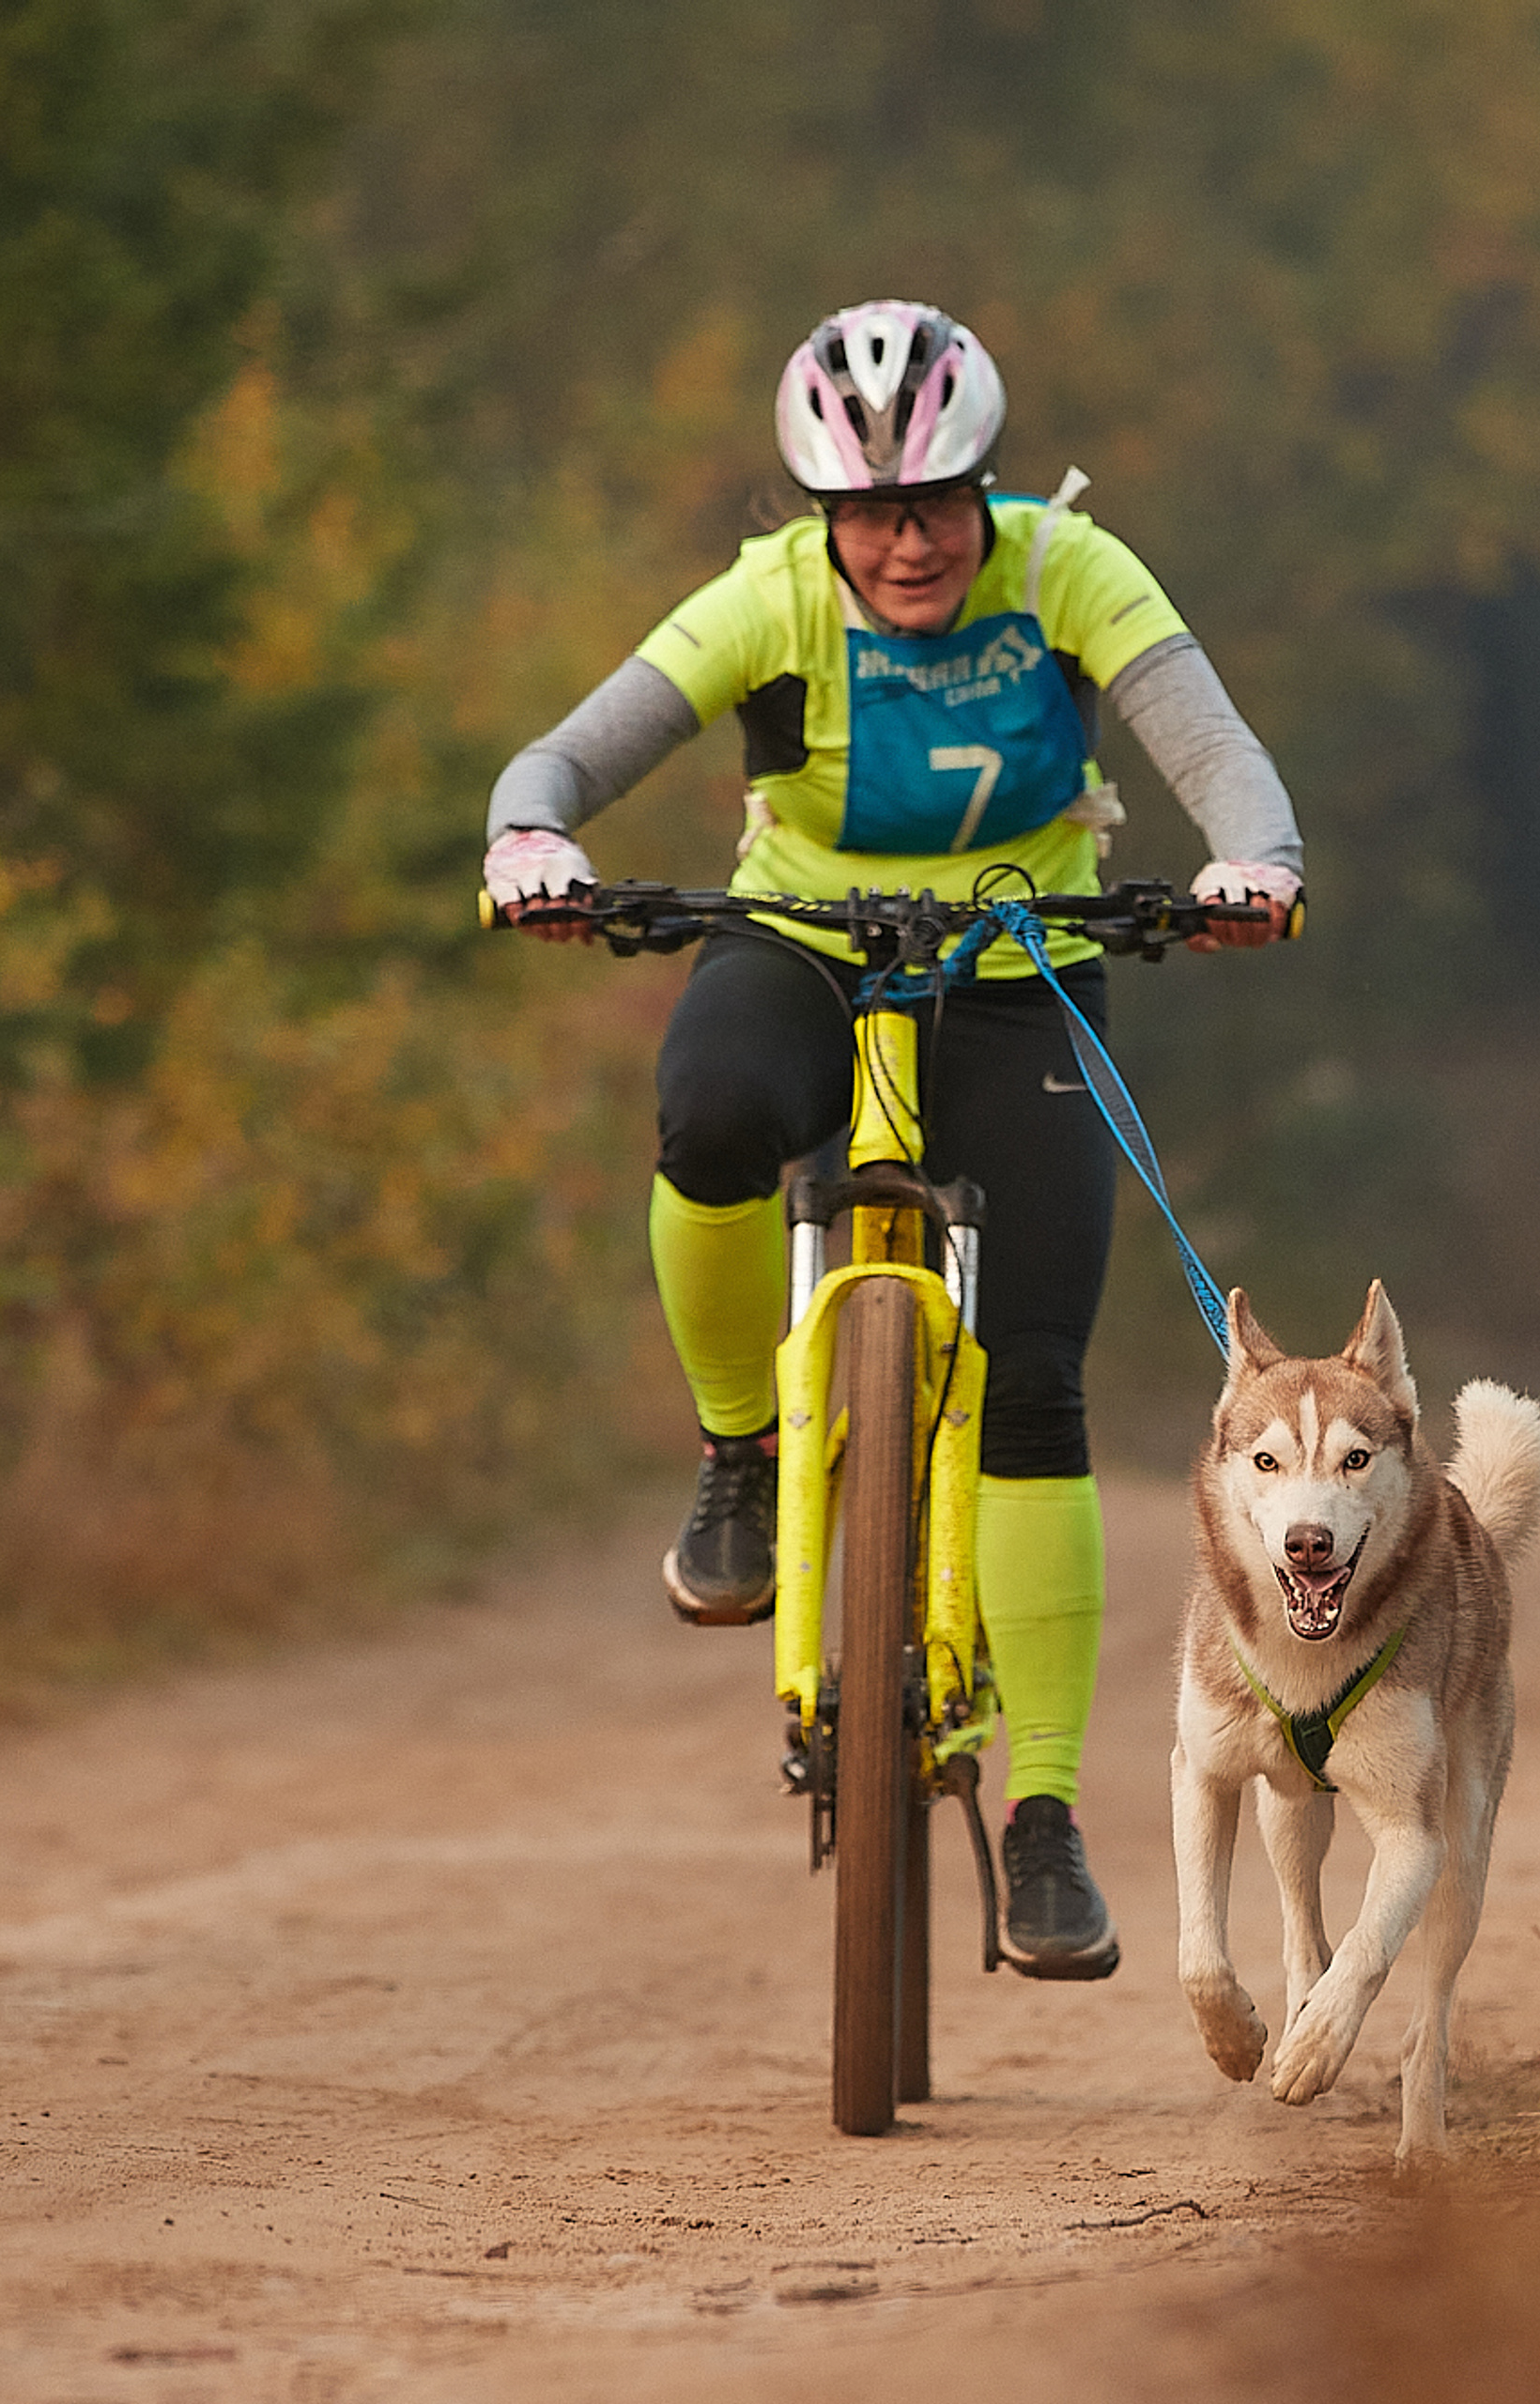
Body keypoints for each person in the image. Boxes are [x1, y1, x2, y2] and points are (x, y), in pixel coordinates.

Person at [484, 300, 1302, 1979]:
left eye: (940, 504)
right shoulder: (770, 600)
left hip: (1024, 960)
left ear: (988, 492)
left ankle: (1050, 1819)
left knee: (1037, 1377)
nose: (911, 543)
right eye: (872, 515)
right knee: (711, 1111)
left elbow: (1221, 760)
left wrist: (1253, 867)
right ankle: (740, 1453)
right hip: (797, 936)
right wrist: (532, 841)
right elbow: (563, 757)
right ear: (822, 519)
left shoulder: (1073, 571)